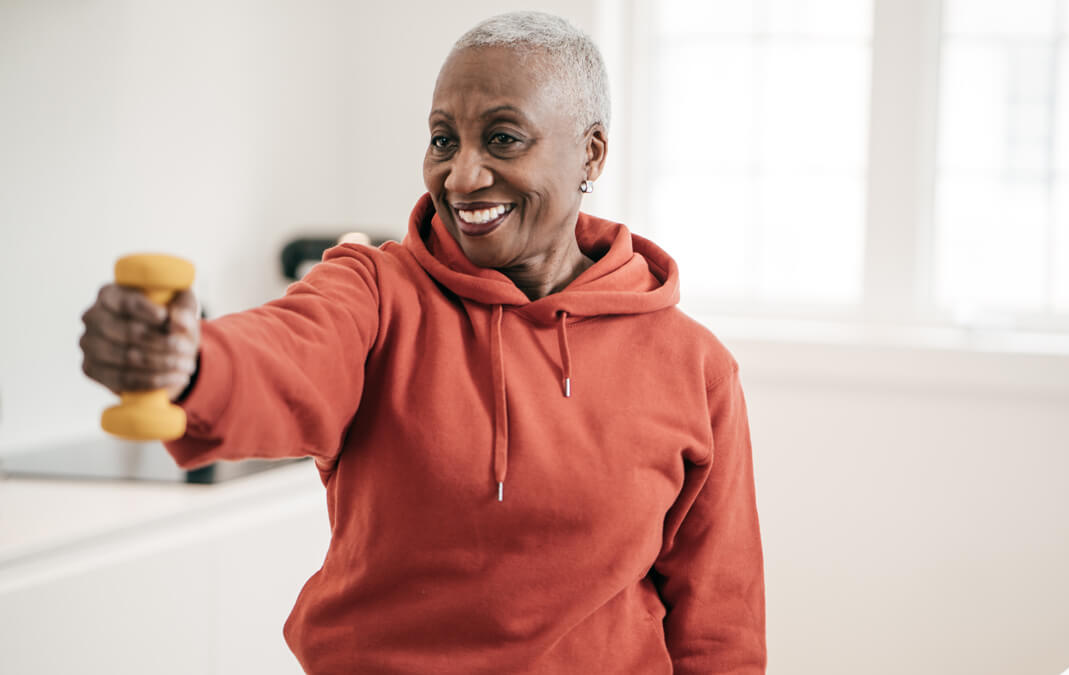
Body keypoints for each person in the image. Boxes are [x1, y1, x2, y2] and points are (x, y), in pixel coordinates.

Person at [79, 11, 766, 674]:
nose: (461, 176)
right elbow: (289, 349)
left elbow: (720, 628)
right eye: (443, 140)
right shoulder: (376, 292)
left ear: (590, 151)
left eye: (502, 138)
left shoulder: (694, 367)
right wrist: (190, 361)